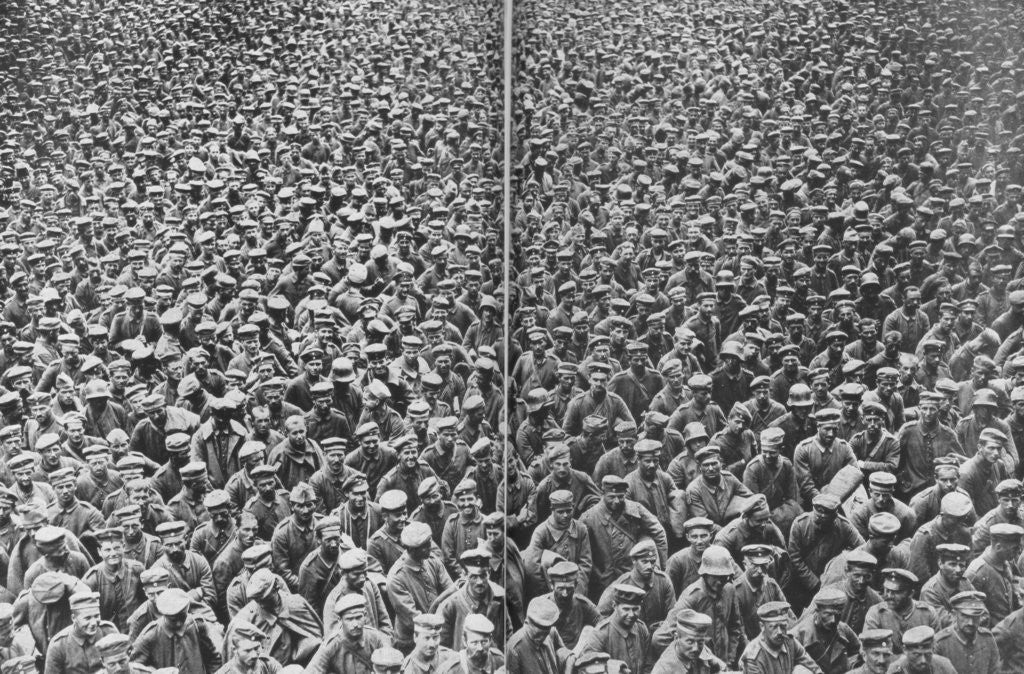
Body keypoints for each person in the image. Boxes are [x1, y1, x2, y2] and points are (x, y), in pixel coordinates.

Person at [305, 594, 391, 674]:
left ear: (365, 616)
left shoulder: (375, 637)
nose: (355, 624)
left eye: (358, 617)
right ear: (340, 620)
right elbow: (313, 670)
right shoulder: (332, 645)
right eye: (349, 619)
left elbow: (391, 665)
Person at [739, 601, 821, 673]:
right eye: (774, 627)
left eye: (783, 626)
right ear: (762, 626)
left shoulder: (790, 642)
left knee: (801, 670)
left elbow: (812, 667)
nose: (779, 632)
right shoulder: (753, 656)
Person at [933, 590, 1000, 674]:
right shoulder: (940, 642)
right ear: (954, 614)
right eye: (965, 616)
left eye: (975, 616)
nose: (970, 622)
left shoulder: (987, 638)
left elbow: (995, 670)